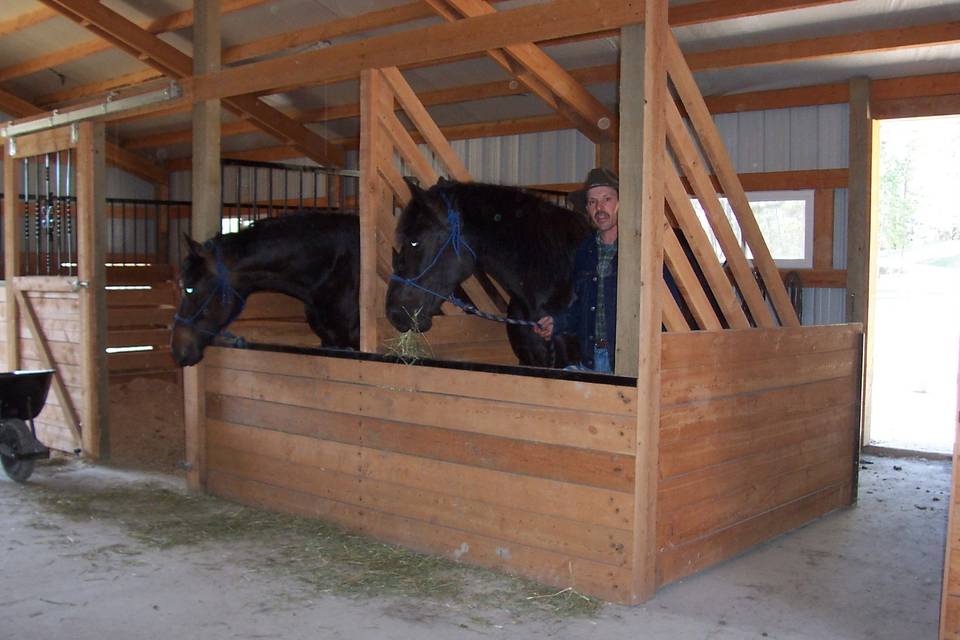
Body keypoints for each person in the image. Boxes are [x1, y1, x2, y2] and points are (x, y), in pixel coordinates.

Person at [533, 167, 620, 373]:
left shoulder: (640, 249)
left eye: (606, 199)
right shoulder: (586, 250)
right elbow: (582, 306)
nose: (599, 208)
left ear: (620, 203)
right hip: (591, 358)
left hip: (629, 362)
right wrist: (557, 324)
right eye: (592, 202)